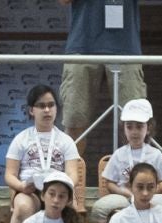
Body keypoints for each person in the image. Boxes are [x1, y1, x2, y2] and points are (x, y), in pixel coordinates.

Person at [56, 0, 143, 146]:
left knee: (136, 121)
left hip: (126, 47)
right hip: (82, 46)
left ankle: (134, 169)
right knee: (74, 121)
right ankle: (70, 169)